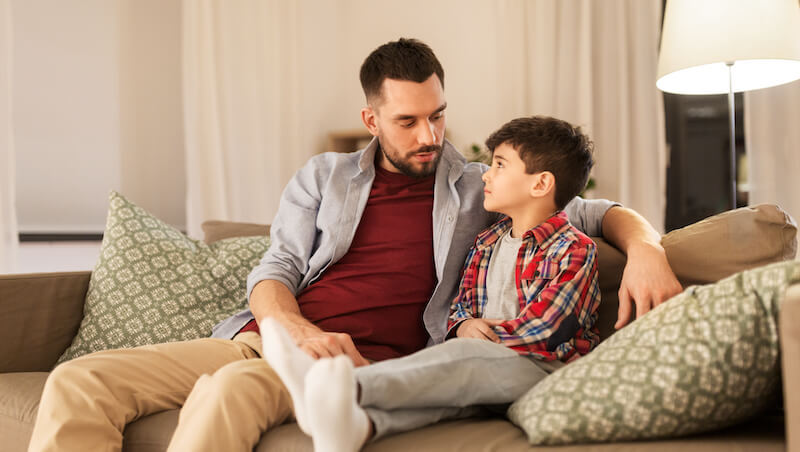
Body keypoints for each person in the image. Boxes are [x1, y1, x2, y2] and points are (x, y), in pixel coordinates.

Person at [27, 38, 681, 452]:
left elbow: (590, 210)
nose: (429, 135)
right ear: (372, 119)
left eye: (438, 115)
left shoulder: (480, 188)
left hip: (362, 362)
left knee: (233, 391)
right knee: (83, 379)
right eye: (408, 121)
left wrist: (648, 247)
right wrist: (291, 326)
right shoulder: (324, 176)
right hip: (266, 338)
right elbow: (277, 267)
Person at [262, 115, 603, 452]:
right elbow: (462, 304)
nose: (487, 174)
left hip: (543, 369)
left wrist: (480, 343)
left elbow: (546, 329)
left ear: (540, 185)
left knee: (464, 361)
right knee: (445, 400)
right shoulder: (486, 242)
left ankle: (339, 385)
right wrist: (463, 325)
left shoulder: (573, 250)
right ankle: (358, 426)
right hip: (485, 371)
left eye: (500, 165)